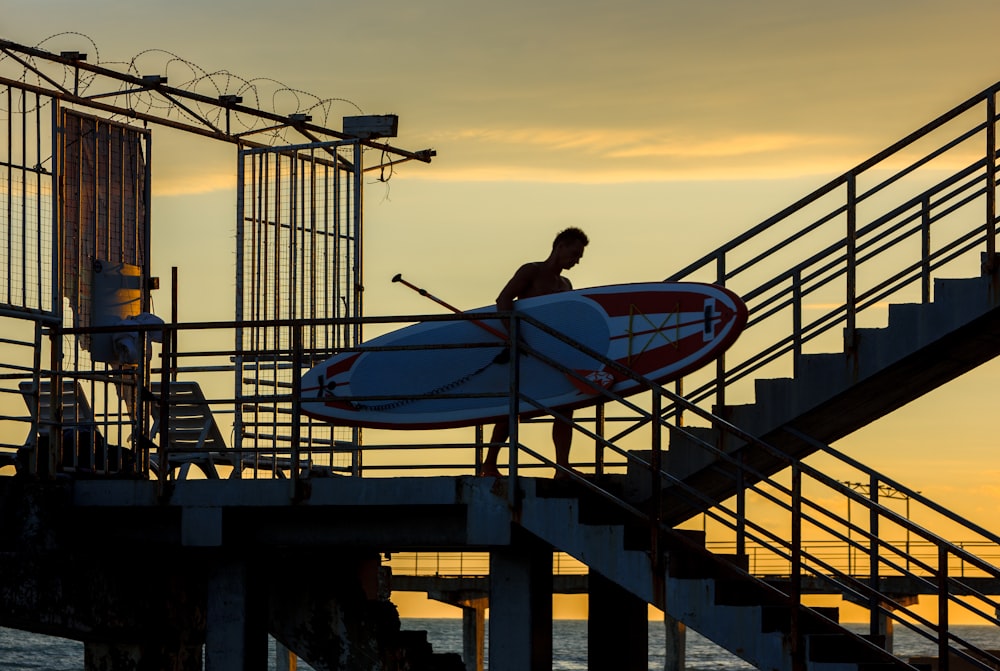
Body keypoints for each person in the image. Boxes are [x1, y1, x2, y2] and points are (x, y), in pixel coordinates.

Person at [479, 227, 589, 480]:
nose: (576, 261)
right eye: (574, 254)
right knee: (514, 407)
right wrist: (514, 335)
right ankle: (489, 464)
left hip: (555, 353)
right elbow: (503, 300)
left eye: (580, 256)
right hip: (526, 351)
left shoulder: (566, 284)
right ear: (560, 246)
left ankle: (562, 466)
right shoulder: (531, 271)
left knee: (566, 405)